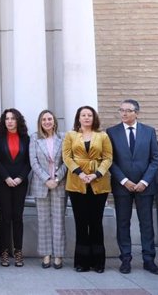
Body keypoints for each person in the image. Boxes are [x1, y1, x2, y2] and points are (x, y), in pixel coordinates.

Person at [106, 99, 158, 275]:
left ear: (137, 113)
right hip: (122, 186)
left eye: (128, 111)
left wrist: (144, 181)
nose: (124, 114)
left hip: (145, 186)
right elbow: (110, 160)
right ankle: (126, 259)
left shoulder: (149, 131)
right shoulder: (111, 132)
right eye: (121, 110)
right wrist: (124, 181)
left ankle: (149, 260)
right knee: (123, 223)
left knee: (146, 223)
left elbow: (155, 159)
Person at [62, 105, 112, 273]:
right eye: (83, 115)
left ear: (94, 118)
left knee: (96, 222)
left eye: (89, 115)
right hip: (77, 183)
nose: (86, 118)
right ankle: (82, 262)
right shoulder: (71, 135)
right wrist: (79, 173)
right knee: (81, 222)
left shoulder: (102, 136)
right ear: (78, 118)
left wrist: (96, 174)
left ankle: (98, 262)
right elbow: (67, 157)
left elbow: (108, 158)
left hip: (99, 183)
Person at [0, 108, 31, 267]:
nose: (9, 121)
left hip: (21, 182)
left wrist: (20, 177)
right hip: (4, 182)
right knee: (5, 217)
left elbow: (29, 161)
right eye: (7, 118)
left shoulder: (26, 138)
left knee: (18, 217)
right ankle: (5, 251)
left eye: (12, 118)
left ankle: (18, 251)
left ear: (18, 120)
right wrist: (6, 177)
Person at [29, 109, 66, 270]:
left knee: (58, 221)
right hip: (41, 184)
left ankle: (58, 255)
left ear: (54, 121)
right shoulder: (34, 138)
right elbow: (33, 162)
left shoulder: (63, 138)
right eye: (44, 119)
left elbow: (67, 161)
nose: (47, 122)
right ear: (40, 122)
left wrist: (56, 178)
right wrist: (46, 179)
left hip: (59, 184)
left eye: (50, 119)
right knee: (43, 221)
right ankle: (46, 255)